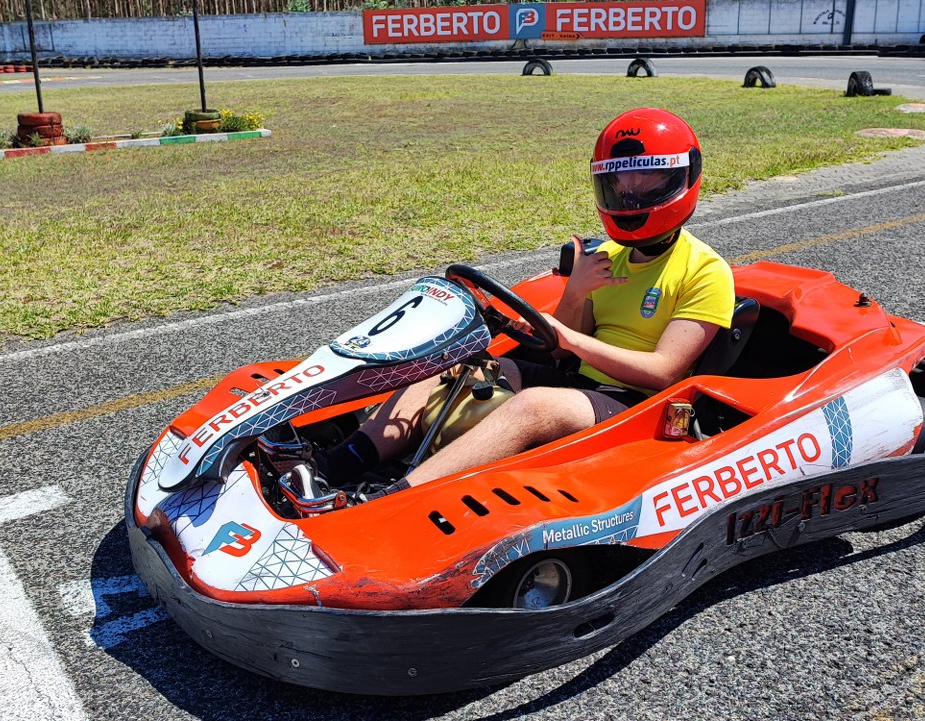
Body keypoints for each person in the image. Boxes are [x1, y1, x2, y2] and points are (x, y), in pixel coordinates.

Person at [294, 108, 734, 507]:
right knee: (448, 366)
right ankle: (336, 465)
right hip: (579, 382)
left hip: (640, 407)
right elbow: (559, 351)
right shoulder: (607, 259)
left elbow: (664, 371)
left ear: (680, 178)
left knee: (535, 405)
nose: (631, 191)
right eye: (620, 180)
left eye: (647, 178)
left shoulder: (706, 271)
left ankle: (389, 501)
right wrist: (576, 292)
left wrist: (573, 339)